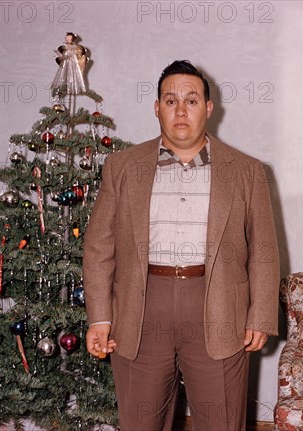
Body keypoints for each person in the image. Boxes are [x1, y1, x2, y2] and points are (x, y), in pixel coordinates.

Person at [83, 60, 279, 431]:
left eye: (191, 100)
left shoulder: (247, 171)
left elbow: (264, 252)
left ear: (208, 108)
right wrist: (100, 317)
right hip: (141, 309)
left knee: (221, 421)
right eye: (170, 101)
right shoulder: (122, 166)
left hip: (220, 305)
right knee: (140, 422)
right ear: (157, 108)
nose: (181, 110)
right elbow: (98, 247)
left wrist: (261, 315)